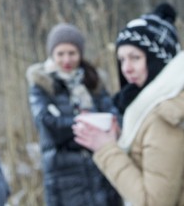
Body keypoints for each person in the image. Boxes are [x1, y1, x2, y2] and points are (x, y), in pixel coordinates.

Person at [73, 3, 184, 206]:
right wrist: (118, 141)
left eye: (135, 58)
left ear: (158, 59)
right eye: (121, 59)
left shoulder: (167, 115)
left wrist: (105, 149)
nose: (126, 68)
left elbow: (153, 202)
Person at [27, 22, 122, 206]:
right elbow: (47, 124)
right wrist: (89, 124)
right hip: (63, 177)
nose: (66, 60)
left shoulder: (93, 81)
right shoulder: (42, 84)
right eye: (60, 54)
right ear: (52, 54)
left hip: (100, 170)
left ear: (80, 53)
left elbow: (112, 116)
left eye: (72, 53)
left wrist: (71, 126)